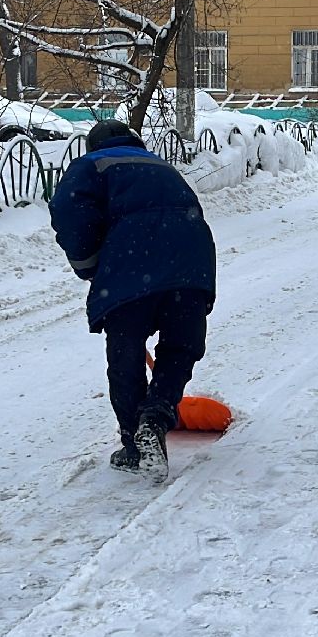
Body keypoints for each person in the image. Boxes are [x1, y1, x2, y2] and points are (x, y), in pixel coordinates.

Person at [50, 119, 216, 482]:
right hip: (190, 266)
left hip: (130, 266)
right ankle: (155, 417)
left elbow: (68, 212)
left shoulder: (92, 165)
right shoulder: (162, 166)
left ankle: (134, 443)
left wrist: (88, 264)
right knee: (180, 347)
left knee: (125, 352)